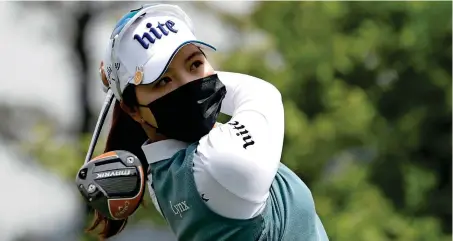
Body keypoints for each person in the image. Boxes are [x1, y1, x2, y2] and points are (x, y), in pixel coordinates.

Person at [86, 3, 329, 241]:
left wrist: (122, 86)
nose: (189, 87)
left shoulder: (160, 176)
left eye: (194, 64)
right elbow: (262, 94)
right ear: (132, 110)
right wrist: (205, 78)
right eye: (163, 81)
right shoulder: (218, 163)